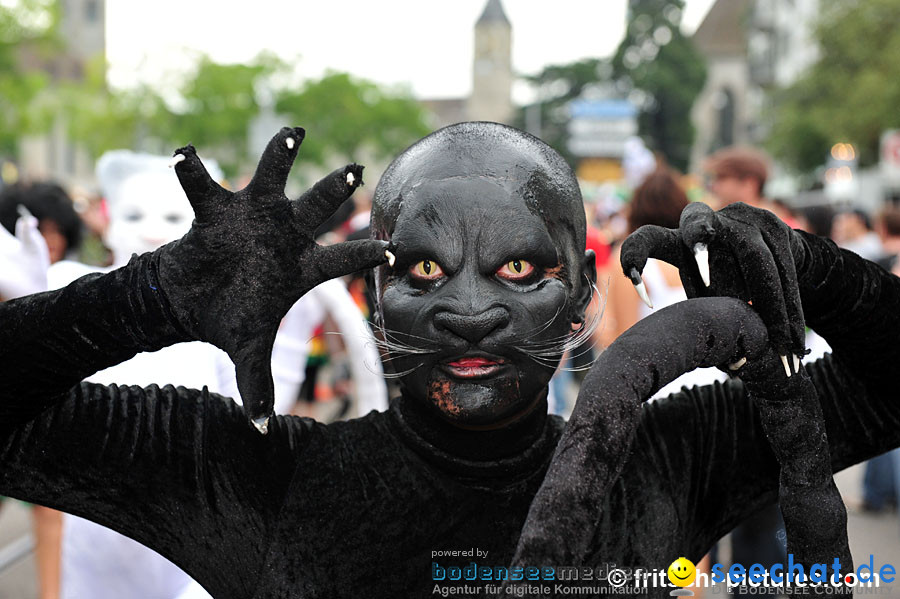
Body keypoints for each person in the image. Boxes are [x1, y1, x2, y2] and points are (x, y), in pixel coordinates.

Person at [0, 123, 898, 597]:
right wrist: (149, 295)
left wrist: (822, 277)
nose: (471, 312)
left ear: (583, 294)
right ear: (370, 294)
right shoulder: (249, 479)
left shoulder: (662, 463)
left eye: (519, 268)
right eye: (424, 268)